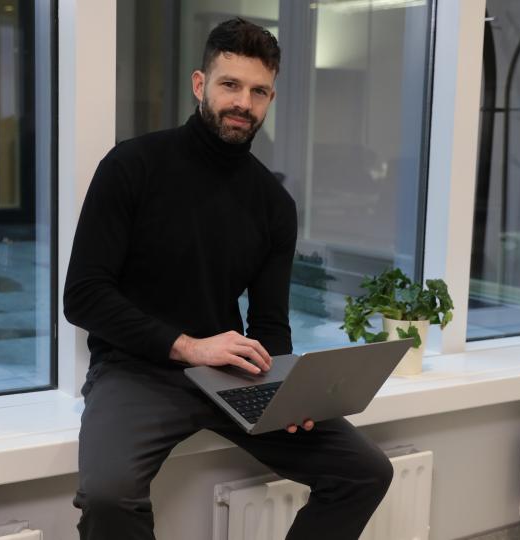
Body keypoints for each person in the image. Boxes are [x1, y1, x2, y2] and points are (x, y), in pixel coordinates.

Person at [64, 17, 393, 540]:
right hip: (136, 371)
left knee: (365, 471)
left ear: (270, 98)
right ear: (200, 85)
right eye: (230, 85)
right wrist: (189, 347)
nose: (243, 102)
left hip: (232, 374)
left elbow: (269, 321)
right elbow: (82, 296)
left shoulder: (274, 204)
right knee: (108, 496)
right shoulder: (133, 165)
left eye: (258, 91)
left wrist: (292, 394)